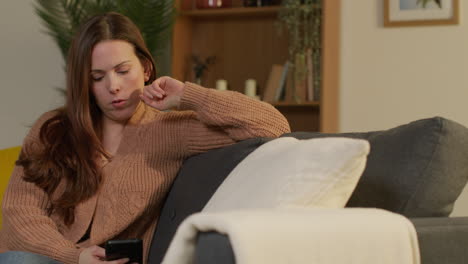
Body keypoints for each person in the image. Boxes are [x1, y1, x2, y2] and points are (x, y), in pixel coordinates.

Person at [0, 12, 290, 264]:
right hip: (42, 258)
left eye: (123, 71)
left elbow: (272, 125)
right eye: (97, 77)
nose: (113, 86)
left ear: (146, 69)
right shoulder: (52, 129)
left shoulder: (170, 129)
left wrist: (188, 96)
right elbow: (19, 212)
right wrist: (73, 256)